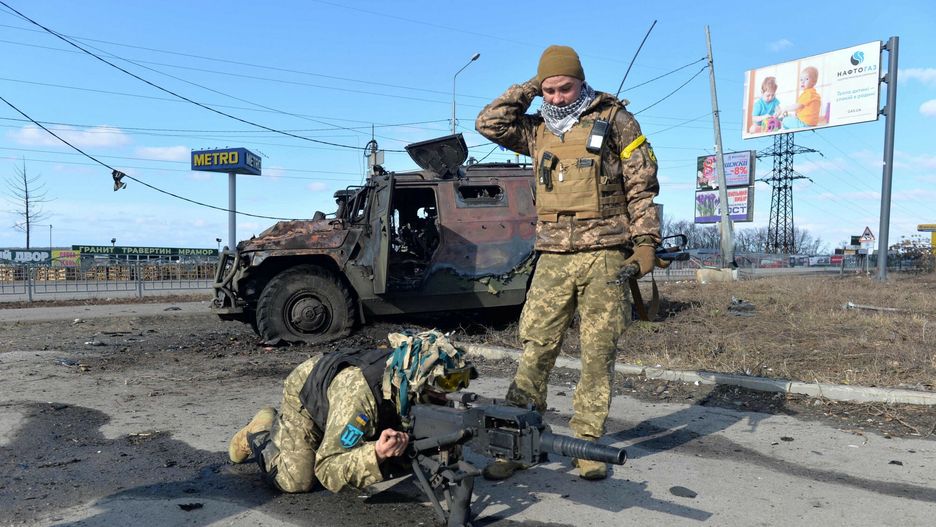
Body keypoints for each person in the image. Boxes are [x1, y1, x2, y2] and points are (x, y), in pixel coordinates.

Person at [475, 45, 661, 481]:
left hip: (605, 253)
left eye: (565, 88)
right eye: (550, 90)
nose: (557, 97)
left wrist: (646, 241)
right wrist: (529, 87)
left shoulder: (616, 120)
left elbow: (642, 186)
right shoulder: (535, 129)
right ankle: (516, 441)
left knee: (598, 352)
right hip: (554, 255)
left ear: (582, 82)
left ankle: (587, 444)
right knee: (536, 348)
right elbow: (488, 123)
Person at [227, 330, 476, 493]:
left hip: (351, 394)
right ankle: (259, 431)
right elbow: (327, 467)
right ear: (416, 380)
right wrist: (376, 453)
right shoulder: (359, 395)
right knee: (296, 480)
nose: (452, 391)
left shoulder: (427, 388)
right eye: (446, 382)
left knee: (404, 459)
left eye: (459, 381)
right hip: (307, 396)